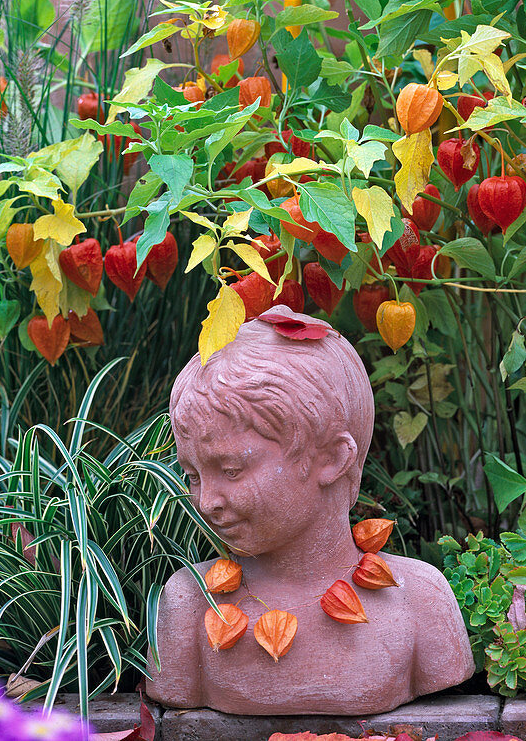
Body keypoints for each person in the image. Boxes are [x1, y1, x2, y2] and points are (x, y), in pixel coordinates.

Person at [146, 306, 474, 715]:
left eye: (231, 470)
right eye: (192, 474)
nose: (206, 501)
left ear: (332, 459)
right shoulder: (189, 603)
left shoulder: (420, 600)